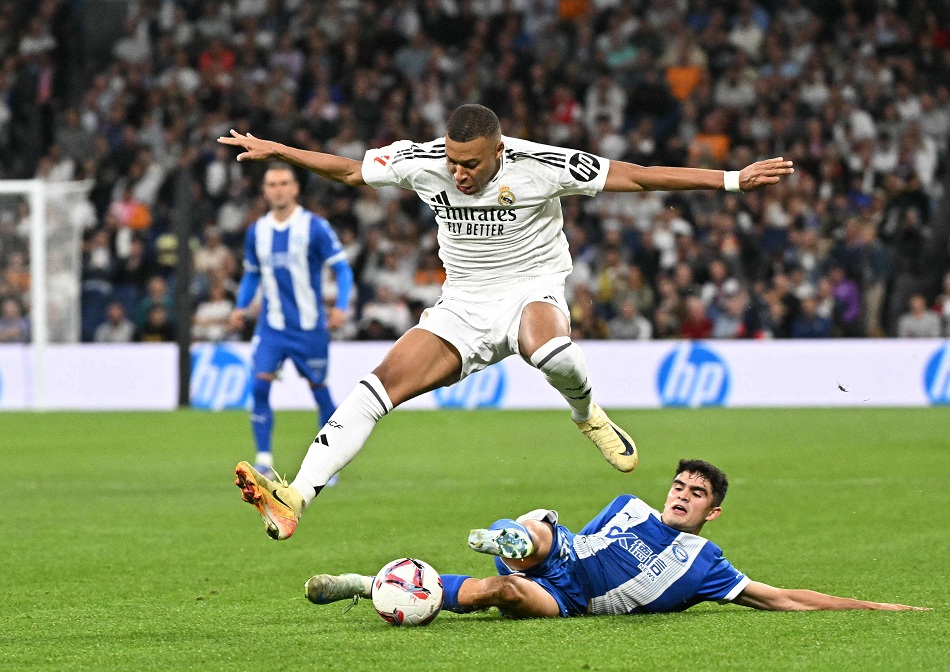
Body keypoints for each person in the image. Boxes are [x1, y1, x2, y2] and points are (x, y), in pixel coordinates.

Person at [218, 104, 794, 540]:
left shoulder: (543, 164)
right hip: (463, 305)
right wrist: (279, 150)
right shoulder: (425, 162)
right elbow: (347, 171)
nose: (459, 174)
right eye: (453, 162)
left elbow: (638, 176)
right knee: (375, 387)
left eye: (471, 165)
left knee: (549, 351)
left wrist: (731, 180)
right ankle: (295, 497)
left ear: (499, 152)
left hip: (530, 289)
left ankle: (586, 412)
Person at [305, 460, 925, 617]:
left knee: (507, 595)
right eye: (679, 486)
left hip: (574, 602)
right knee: (542, 529)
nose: (681, 494)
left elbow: (783, 598)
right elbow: (585, 541)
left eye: (696, 494)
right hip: (566, 552)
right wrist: (543, 542)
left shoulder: (705, 564)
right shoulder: (629, 506)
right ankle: (508, 536)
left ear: (713, 514)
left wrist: (875, 607)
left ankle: (372, 585)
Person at [229, 164, 354, 480]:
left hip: (309, 328)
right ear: (265, 190)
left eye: (284, 183)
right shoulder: (256, 231)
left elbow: (342, 269)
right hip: (271, 327)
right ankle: (263, 460)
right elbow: (252, 274)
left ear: (295, 188)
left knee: (320, 391)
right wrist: (241, 306)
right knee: (258, 386)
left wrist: (340, 306)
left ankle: (329, 461)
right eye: (272, 184)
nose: (278, 189)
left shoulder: (315, 227)